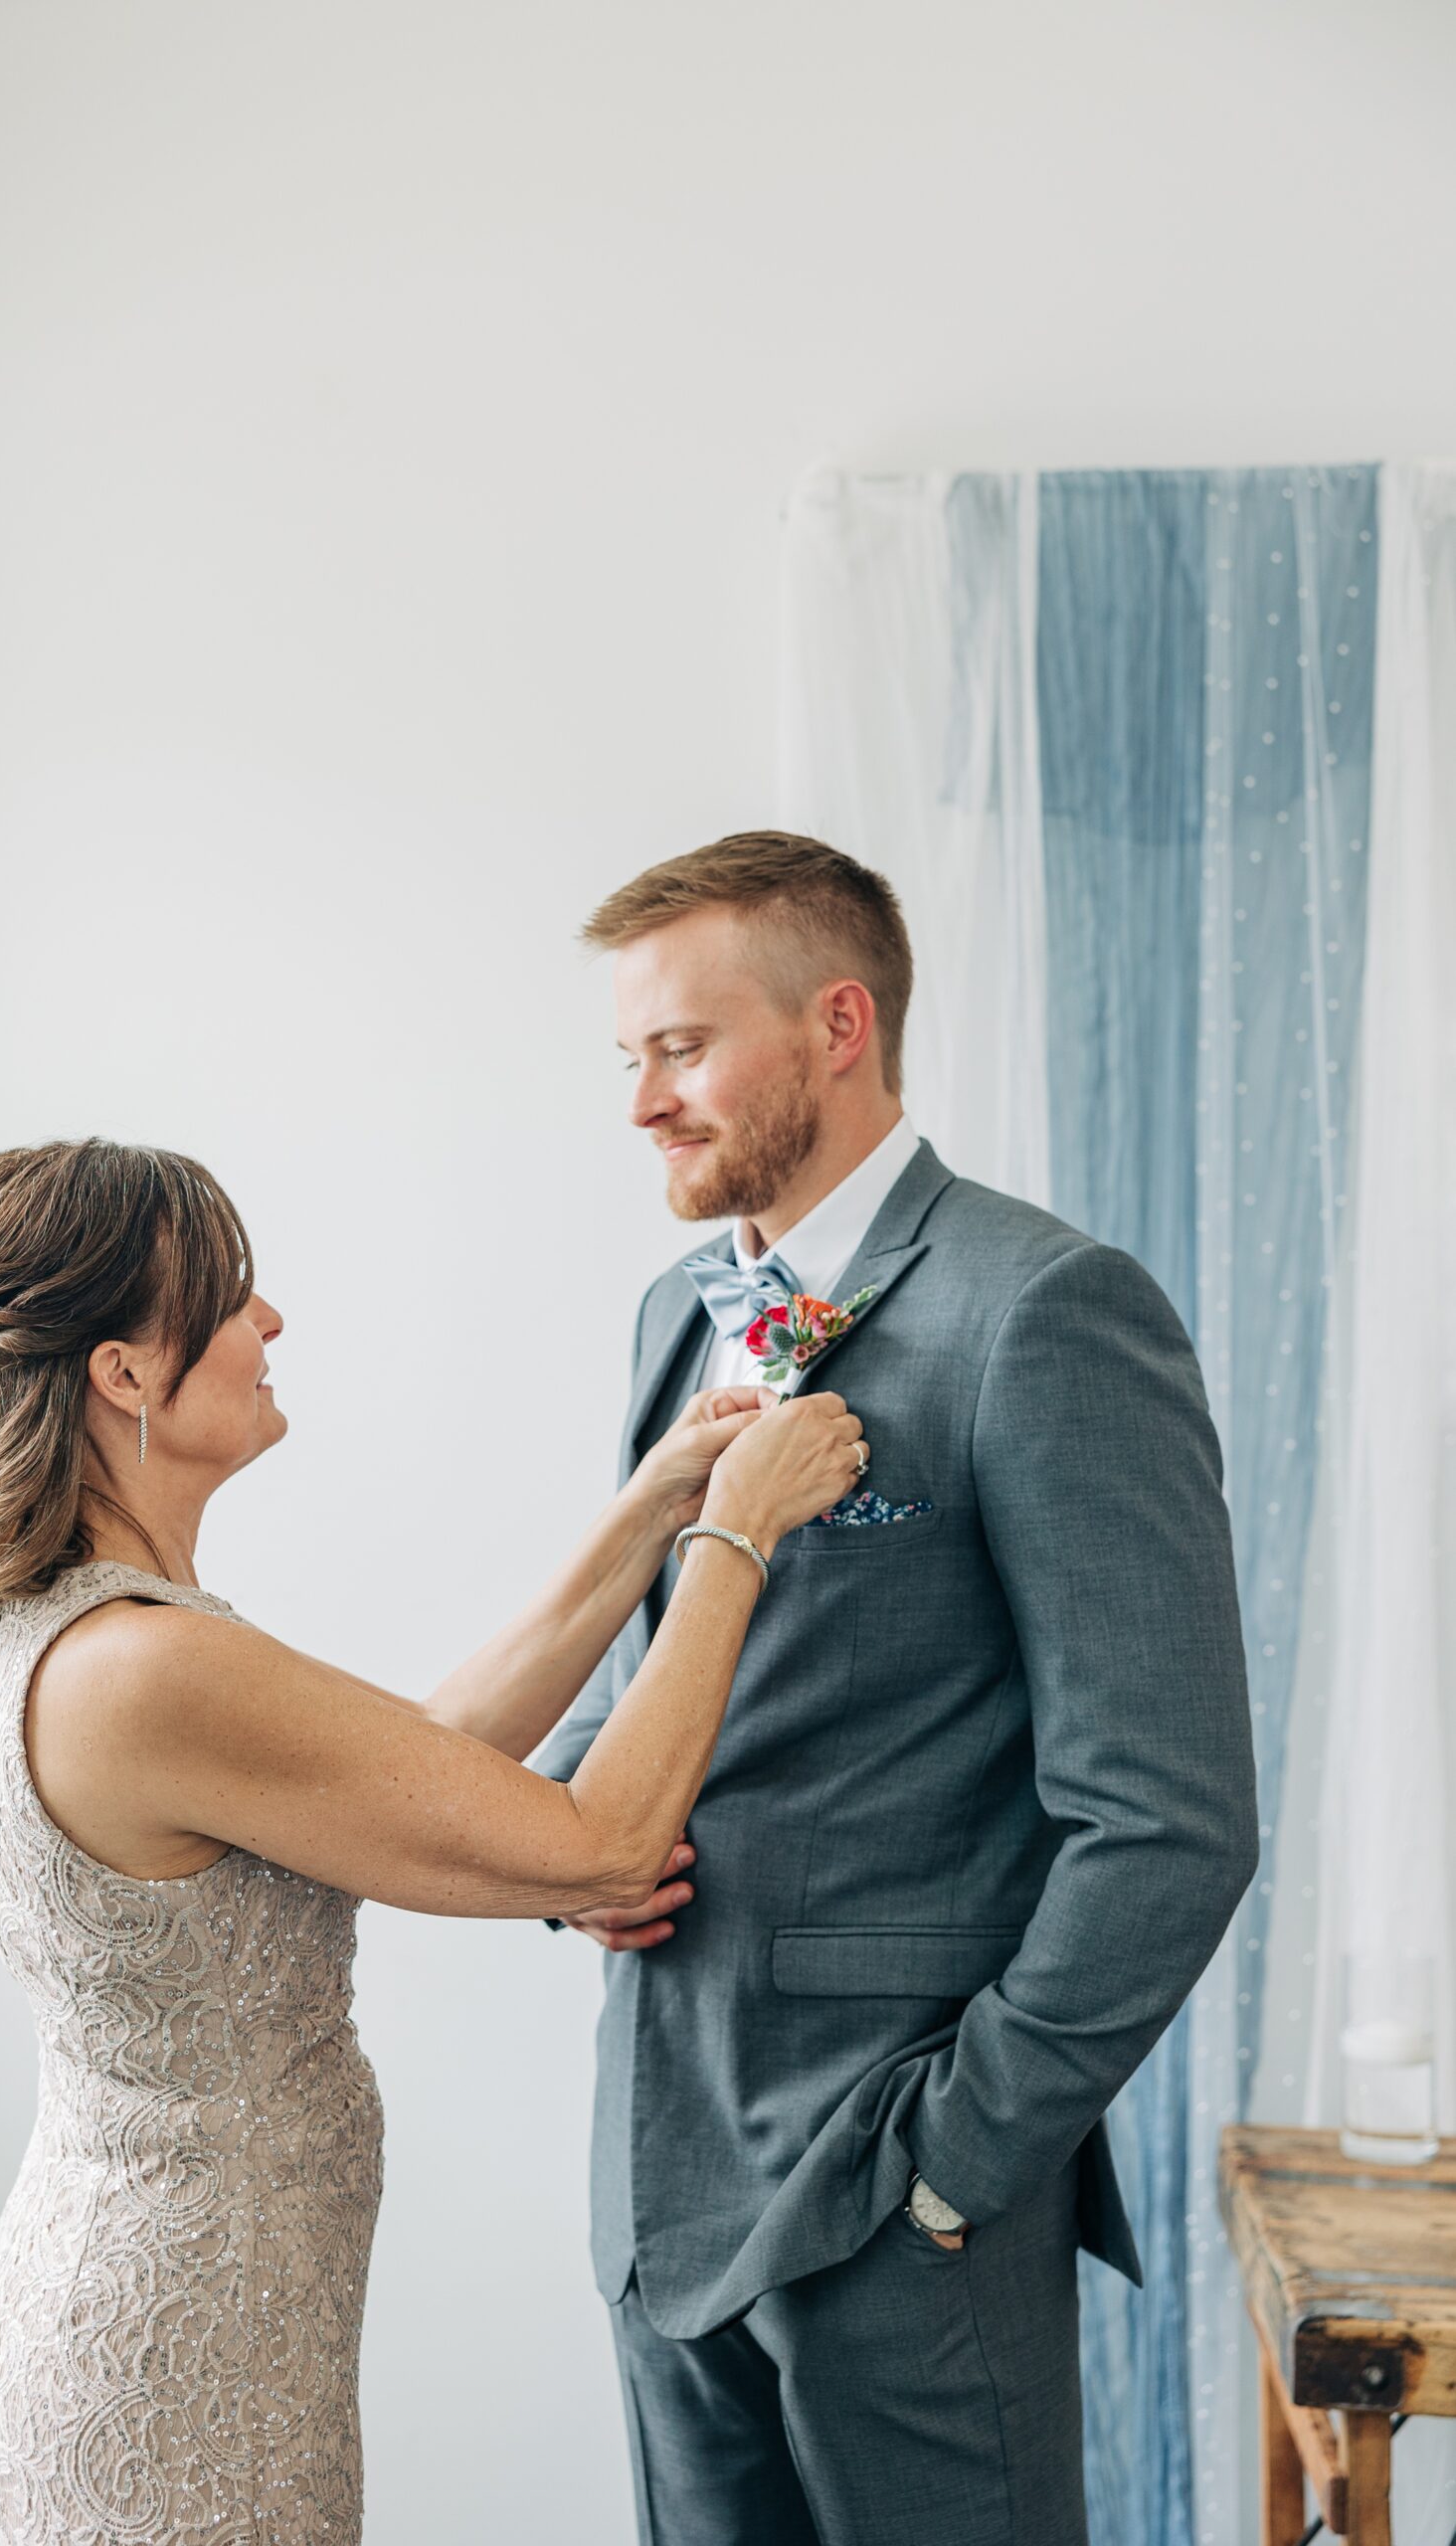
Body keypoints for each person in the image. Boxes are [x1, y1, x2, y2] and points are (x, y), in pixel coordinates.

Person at [0, 1136, 867, 2546]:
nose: (270, 1323)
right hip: (180, 2369)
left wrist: (652, 1508)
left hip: (193, 2319)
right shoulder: (141, 1669)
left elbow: (427, 1761)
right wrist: (738, 1535)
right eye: (233, 1296)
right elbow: (600, 1842)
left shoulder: (89, 1623)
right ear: (126, 1375)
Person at [536, 828, 1258, 2546]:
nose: (643, 1102)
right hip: (656, 2181)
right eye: (626, 1057)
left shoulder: (1052, 1312)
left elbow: (1168, 1820)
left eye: (681, 1048)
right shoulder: (676, 1315)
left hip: (898, 2205)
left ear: (838, 1024)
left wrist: (955, 2165)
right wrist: (573, 1853)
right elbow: (647, 1664)